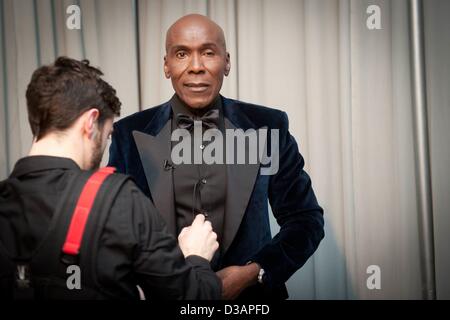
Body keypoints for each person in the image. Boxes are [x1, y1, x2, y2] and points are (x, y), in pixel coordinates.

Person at [108, 14, 325, 300]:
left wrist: (254, 272)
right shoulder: (128, 133)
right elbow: (116, 233)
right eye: (182, 54)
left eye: (208, 53)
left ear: (227, 61)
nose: (196, 67)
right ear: (166, 65)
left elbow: (306, 219)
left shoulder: (268, 126)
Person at [0, 56, 221, 300]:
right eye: (106, 137)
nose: (105, 147)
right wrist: (196, 258)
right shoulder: (121, 201)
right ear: (90, 122)